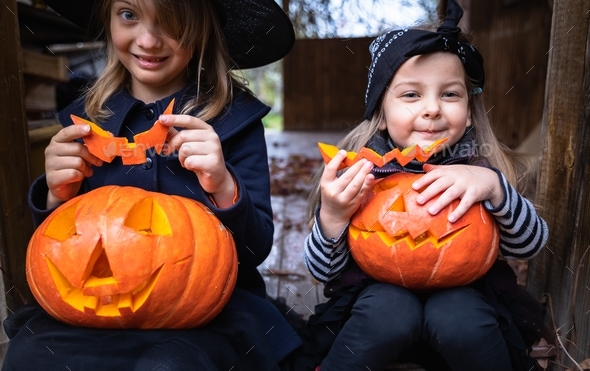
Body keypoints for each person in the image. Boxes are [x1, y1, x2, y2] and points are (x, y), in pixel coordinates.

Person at [3, 0, 302, 370]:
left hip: (204, 312)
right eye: (129, 14)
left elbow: (253, 251)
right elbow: (60, 250)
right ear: (107, 17)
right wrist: (55, 196)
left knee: (170, 365)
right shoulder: (84, 124)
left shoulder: (234, 124)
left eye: (172, 22)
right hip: (93, 304)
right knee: (30, 356)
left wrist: (223, 185)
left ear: (204, 30)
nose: (148, 40)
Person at [302, 1, 549, 370]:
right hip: (375, 310)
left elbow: (532, 242)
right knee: (389, 310)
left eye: (449, 94)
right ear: (381, 114)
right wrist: (334, 217)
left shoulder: (479, 169)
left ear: (467, 113)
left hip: (466, 304)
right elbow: (322, 271)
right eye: (411, 95)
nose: (433, 108)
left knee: (458, 314)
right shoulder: (360, 174)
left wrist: (494, 188)